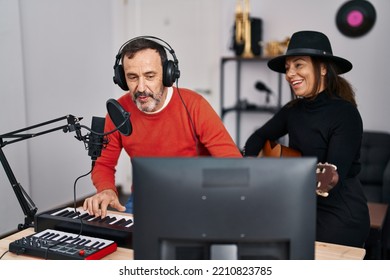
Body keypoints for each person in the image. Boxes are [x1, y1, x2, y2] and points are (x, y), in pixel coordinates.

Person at [83, 36, 242, 217]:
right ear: (121, 79)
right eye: (132, 77)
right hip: (145, 197)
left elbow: (231, 161)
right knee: (126, 241)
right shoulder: (118, 111)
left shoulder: (194, 105)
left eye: (150, 76)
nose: (141, 87)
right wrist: (107, 190)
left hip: (195, 197)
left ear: (168, 75)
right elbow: (103, 163)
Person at [243, 30, 370, 248]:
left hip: (340, 217)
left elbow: (331, 179)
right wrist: (252, 167)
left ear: (322, 68)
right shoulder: (293, 110)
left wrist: (314, 179)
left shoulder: (345, 114)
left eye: (298, 65)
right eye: (287, 68)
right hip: (302, 206)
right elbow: (258, 137)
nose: (290, 74)